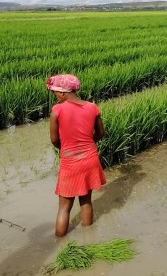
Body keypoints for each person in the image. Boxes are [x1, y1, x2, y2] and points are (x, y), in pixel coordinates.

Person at [46, 74, 106, 237]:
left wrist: (64, 148)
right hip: (90, 158)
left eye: (56, 93)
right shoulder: (92, 107)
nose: (55, 96)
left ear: (64, 92)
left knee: (64, 208)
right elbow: (100, 133)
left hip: (70, 161)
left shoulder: (57, 110)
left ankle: (59, 243)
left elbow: (54, 140)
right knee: (86, 201)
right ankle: (88, 238)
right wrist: (88, 144)